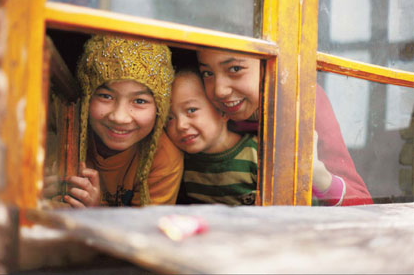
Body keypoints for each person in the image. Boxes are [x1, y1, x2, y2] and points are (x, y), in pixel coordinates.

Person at [196, 48, 373, 206]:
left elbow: (362, 204)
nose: (219, 90)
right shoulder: (203, 103)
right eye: (207, 73)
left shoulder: (303, 100)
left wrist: (318, 176)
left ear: (269, 64)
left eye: (235, 69)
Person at [63, 35, 183, 207]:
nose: (119, 117)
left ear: (160, 109)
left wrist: (96, 212)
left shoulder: (164, 158)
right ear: (87, 97)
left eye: (140, 101)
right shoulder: (64, 130)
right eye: (106, 96)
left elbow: (145, 230)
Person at [166, 67, 259, 205]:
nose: (180, 125)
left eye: (191, 110)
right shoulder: (179, 160)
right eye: (169, 118)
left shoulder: (256, 153)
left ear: (223, 111)